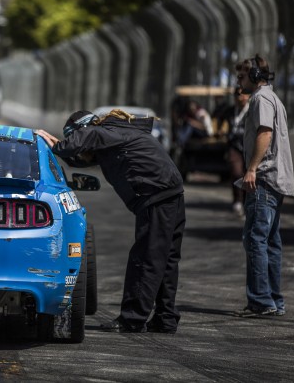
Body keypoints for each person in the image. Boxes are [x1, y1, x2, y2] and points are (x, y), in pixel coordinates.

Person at [35, 109, 186, 333]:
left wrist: (53, 144)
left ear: (81, 129)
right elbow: (78, 158)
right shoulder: (117, 133)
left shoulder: (99, 131)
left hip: (155, 197)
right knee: (166, 260)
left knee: (145, 259)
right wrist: (61, 149)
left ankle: (132, 319)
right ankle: (166, 318)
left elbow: (73, 145)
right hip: (172, 194)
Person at [233, 55, 294, 318]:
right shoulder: (273, 98)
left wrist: (251, 168)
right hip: (274, 180)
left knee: (255, 239)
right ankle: (274, 300)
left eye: (242, 77)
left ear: (256, 75)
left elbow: (265, 133)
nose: (239, 82)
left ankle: (261, 301)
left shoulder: (260, 99)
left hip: (264, 179)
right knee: (270, 241)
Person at [223, 87, 251, 216]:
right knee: (236, 172)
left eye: (243, 95)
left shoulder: (252, 111)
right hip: (234, 147)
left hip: (248, 147)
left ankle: (246, 202)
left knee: (247, 175)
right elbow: (221, 123)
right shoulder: (230, 111)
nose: (240, 98)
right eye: (237, 95)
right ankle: (237, 200)